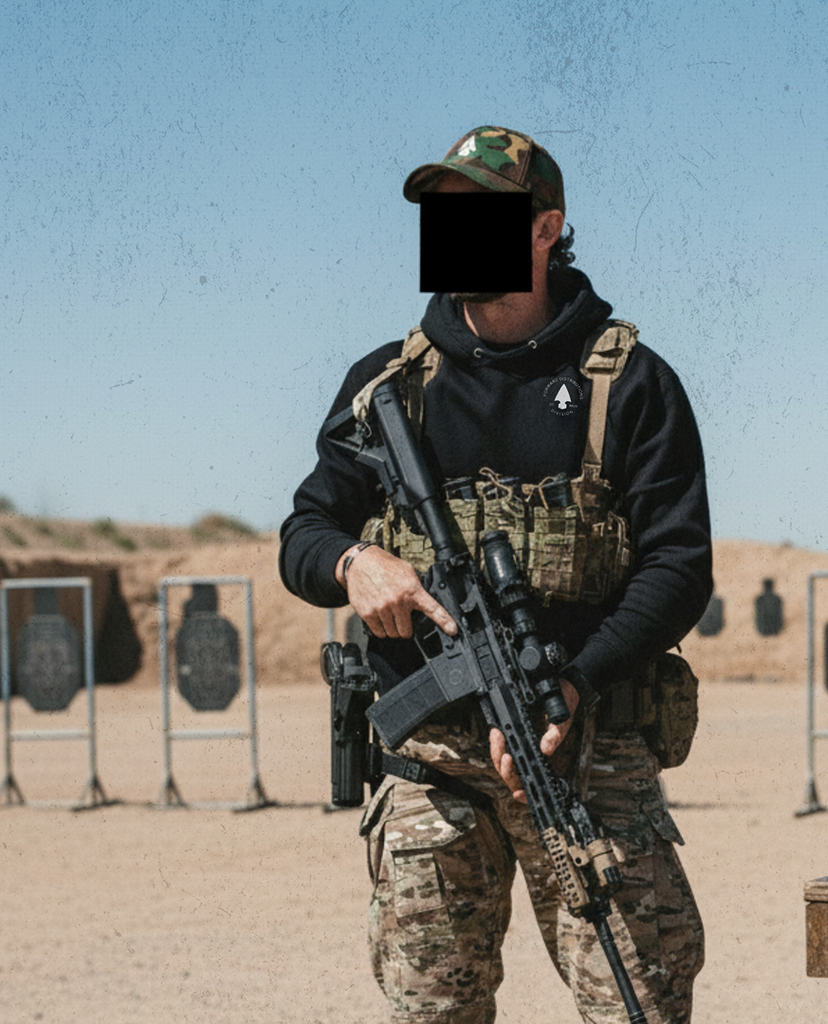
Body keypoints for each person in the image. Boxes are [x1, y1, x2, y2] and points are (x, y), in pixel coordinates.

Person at [279, 126, 711, 1024]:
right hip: (432, 762)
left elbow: (679, 567)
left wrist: (575, 681)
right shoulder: (387, 386)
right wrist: (355, 562)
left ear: (546, 229)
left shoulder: (628, 384)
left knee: (641, 1002)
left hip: (583, 751)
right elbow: (304, 532)